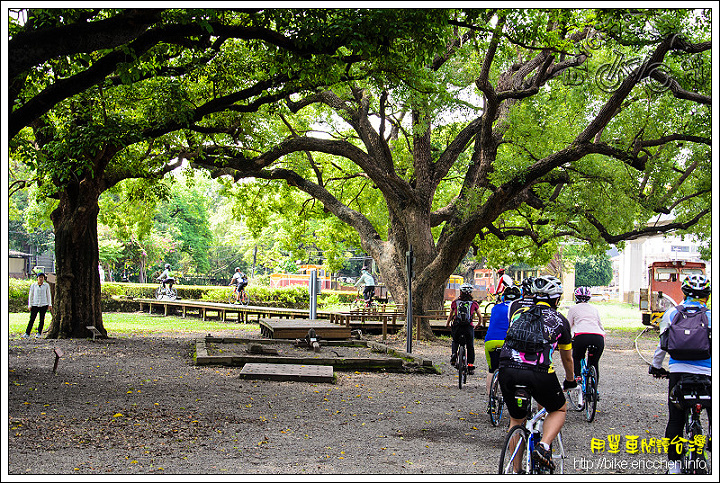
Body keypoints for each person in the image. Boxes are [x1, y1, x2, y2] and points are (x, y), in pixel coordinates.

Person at [497, 275, 575, 471]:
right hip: (538, 371)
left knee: (516, 420)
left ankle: (516, 470)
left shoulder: (517, 313)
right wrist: (570, 380)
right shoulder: (560, 320)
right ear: (556, 300)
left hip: (507, 368)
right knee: (558, 409)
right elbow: (567, 358)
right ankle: (544, 446)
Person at [648, 274, 711, 475]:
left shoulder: (671, 313)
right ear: (707, 295)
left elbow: (662, 346)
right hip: (708, 374)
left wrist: (656, 367)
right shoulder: (711, 315)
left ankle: (674, 466)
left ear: (684, 292)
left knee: (676, 419)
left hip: (678, 373)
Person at [484, 285, 522, 405]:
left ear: (503, 297)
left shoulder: (495, 308)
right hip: (509, 342)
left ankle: (491, 399)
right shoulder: (518, 309)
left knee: (492, 369)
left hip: (491, 341)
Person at [566, 286, 605, 402]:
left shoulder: (573, 308)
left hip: (581, 336)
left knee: (577, 357)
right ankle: (595, 389)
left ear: (576, 297)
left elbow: (568, 326)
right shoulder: (594, 309)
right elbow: (600, 326)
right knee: (594, 362)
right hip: (598, 337)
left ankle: (577, 379)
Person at [445, 283, 481, 374]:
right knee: (470, 346)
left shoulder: (455, 302)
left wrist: (448, 324)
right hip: (468, 327)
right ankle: (470, 365)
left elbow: (451, 315)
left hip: (457, 326)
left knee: (455, 341)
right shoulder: (474, 303)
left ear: (460, 292)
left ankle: (454, 354)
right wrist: (478, 324)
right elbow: (480, 316)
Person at [23, 272, 53, 339]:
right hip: (35, 304)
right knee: (32, 319)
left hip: (43, 304)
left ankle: (39, 333)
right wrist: (30, 305)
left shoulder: (46, 285)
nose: (41, 279)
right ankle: (27, 333)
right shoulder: (33, 285)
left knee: (42, 319)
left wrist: (49, 304)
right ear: (37, 278)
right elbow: (31, 295)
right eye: (39, 277)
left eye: (42, 277)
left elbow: (48, 295)